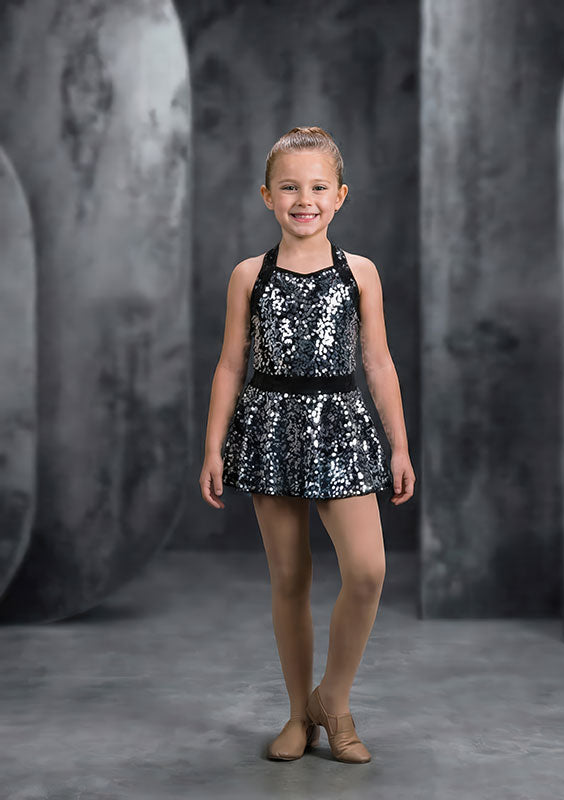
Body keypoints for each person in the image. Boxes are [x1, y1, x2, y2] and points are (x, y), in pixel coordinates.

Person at [199, 125, 415, 764]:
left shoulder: (360, 273)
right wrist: (213, 449)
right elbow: (230, 365)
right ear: (267, 196)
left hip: (342, 428)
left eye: (318, 187)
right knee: (290, 577)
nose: (304, 199)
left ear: (340, 196)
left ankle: (334, 700)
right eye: (290, 187)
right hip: (268, 427)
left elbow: (378, 362)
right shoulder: (249, 274)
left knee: (368, 571)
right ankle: (299, 713)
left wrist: (399, 447)